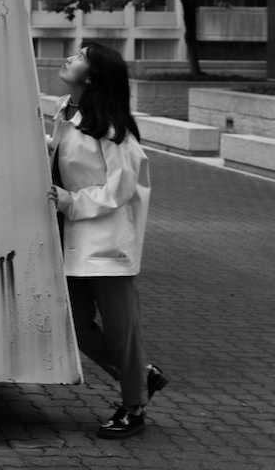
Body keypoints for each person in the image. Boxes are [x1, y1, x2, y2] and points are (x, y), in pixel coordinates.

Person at [48, 40, 168, 438]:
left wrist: (68, 200)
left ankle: (134, 408)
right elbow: (64, 157)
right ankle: (142, 377)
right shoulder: (66, 111)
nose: (70, 57)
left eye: (80, 57)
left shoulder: (114, 131)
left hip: (106, 244)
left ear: (92, 77)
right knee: (73, 323)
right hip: (72, 238)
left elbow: (120, 190)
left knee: (122, 332)